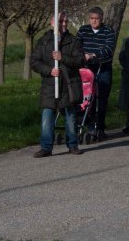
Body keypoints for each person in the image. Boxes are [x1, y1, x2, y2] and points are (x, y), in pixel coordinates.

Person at [31, 12, 85, 158]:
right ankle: (46, 147)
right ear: (52, 22)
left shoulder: (73, 41)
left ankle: (73, 145)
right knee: (47, 117)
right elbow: (35, 62)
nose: (64, 24)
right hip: (50, 85)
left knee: (70, 117)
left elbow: (80, 61)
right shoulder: (44, 41)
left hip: (68, 85)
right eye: (61, 21)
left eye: (66, 21)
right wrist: (49, 71)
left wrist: (63, 58)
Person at [77, 6, 115, 140]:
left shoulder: (108, 31)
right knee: (87, 98)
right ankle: (89, 124)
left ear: (101, 18)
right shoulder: (83, 30)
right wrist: (83, 55)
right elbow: (77, 46)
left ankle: (100, 127)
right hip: (87, 69)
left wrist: (94, 55)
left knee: (102, 98)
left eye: (96, 19)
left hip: (102, 68)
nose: (94, 21)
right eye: (91, 19)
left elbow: (109, 50)